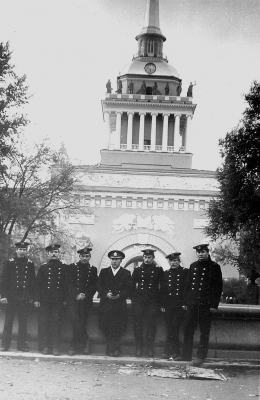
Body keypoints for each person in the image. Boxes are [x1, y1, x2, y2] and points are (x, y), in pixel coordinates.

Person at [175, 244, 223, 366]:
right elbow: (188, 285)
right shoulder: (193, 266)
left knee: (204, 331)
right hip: (192, 304)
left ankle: (201, 356)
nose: (200, 254)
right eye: (198, 252)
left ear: (207, 252)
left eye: (203, 252)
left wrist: (213, 305)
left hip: (205, 305)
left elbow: (218, 287)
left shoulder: (214, 267)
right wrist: (185, 302)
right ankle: (186, 355)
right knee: (187, 329)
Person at [0, 241, 36, 352]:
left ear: (26, 251)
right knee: (8, 321)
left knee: (23, 321)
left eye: (24, 250)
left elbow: (32, 281)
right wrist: (4, 295)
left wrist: (31, 297)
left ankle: (22, 345)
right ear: (16, 250)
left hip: (24, 297)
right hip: (11, 297)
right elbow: (3, 280)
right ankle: (5, 344)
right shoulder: (9, 262)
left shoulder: (30, 264)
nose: (22, 252)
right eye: (20, 249)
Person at [34, 244, 67, 356]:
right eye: (51, 252)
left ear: (58, 254)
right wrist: (37, 299)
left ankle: (55, 347)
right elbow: (37, 285)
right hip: (44, 300)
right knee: (44, 323)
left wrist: (65, 299)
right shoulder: (43, 267)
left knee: (56, 323)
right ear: (48, 254)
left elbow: (66, 285)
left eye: (56, 252)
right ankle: (44, 347)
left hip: (58, 301)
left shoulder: (63, 267)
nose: (54, 254)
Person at [97, 250, 132, 357]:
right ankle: (113, 348)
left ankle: (113, 348)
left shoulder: (126, 273)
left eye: (117, 259)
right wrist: (105, 293)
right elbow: (99, 286)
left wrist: (120, 295)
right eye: (113, 259)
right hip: (106, 305)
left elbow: (129, 289)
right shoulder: (104, 272)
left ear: (121, 261)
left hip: (119, 306)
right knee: (106, 326)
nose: (114, 261)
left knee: (118, 327)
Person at [131, 249, 163, 357]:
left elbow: (162, 286)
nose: (147, 259)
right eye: (145, 257)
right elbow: (131, 285)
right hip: (139, 300)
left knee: (151, 324)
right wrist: (134, 299)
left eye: (149, 257)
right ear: (143, 258)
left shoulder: (158, 270)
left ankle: (150, 348)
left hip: (152, 301)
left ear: (153, 258)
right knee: (138, 324)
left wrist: (159, 302)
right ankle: (138, 347)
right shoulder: (137, 270)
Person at [66, 247, 97, 355]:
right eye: (82, 256)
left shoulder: (93, 269)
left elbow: (94, 285)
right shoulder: (72, 267)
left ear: (89, 257)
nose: (84, 258)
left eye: (87, 256)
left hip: (86, 301)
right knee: (75, 321)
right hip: (73, 300)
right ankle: (86, 340)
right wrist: (76, 294)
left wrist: (85, 294)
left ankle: (73, 346)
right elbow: (69, 283)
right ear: (79, 257)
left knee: (82, 322)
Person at [160, 252, 187, 360]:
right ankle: (168, 352)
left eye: (175, 260)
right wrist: (162, 304)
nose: (173, 263)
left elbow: (186, 289)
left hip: (180, 306)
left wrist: (185, 303)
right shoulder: (166, 273)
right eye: (171, 261)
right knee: (169, 328)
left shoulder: (185, 272)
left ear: (179, 261)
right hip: (169, 306)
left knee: (175, 328)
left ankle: (175, 352)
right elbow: (163, 290)